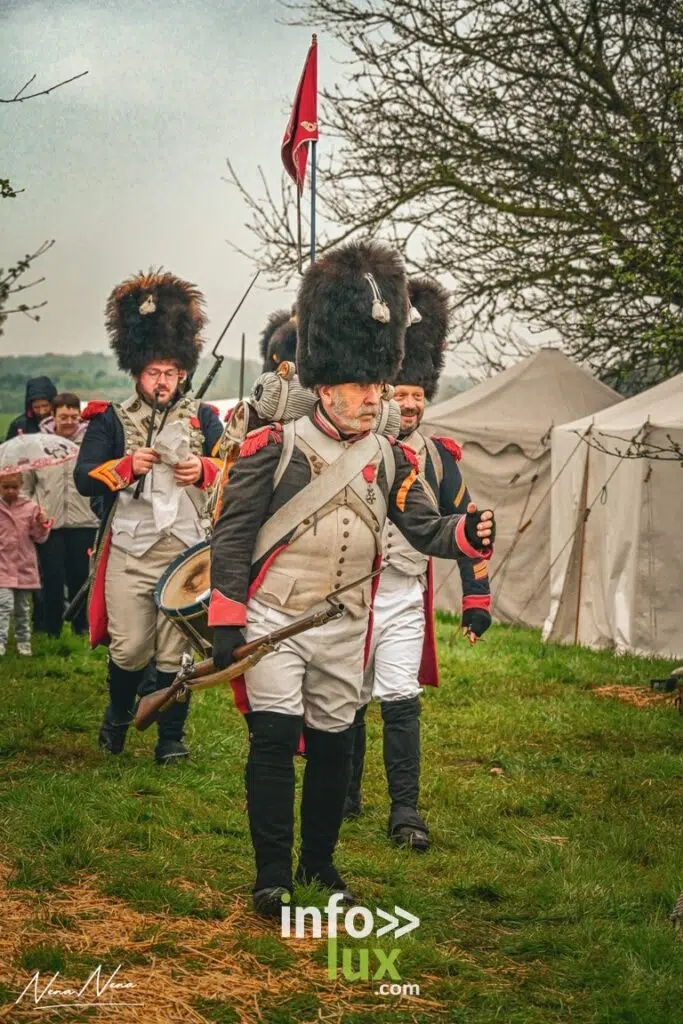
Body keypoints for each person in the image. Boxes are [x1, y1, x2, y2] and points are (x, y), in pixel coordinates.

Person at [209, 241, 495, 917]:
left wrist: (464, 536)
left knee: (334, 747)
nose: (374, 397)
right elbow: (232, 535)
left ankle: (319, 865)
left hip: (344, 626)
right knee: (273, 742)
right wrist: (226, 617)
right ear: (326, 384)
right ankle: (272, 875)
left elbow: (423, 528)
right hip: (275, 618)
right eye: (362, 386)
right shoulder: (274, 446)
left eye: (377, 384)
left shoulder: (391, 458)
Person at [343, 278, 492, 852]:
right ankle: (346, 795)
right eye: (399, 393)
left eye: (416, 395)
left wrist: (476, 598)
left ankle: (405, 811)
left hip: (404, 593)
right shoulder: (350, 447)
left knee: (401, 697)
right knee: (348, 699)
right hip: (348, 596)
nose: (408, 404)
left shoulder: (439, 457)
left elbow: (464, 525)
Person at [74, 271, 223, 764]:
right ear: (138, 372)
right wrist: (124, 467)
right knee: (131, 649)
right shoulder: (110, 419)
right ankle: (118, 716)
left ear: (183, 373)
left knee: (176, 654)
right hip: (131, 550)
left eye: (172, 372)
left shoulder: (204, 418)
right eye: (155, 372)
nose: (163, 381)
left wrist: (203, 470)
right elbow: (84, 478)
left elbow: (234, 471)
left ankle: (170, 739)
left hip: (186, 551)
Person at [24, 393, 99, 638]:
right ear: (53, 416)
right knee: (52, 578)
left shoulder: (90, 443)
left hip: (84, 521)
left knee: (81, 578)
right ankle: (51, 629)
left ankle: (81, 628)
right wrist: (35, 510)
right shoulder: (38, 445)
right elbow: (26, 485)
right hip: (49, 524)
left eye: (73, 417)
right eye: (63, 417)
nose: (69, 422)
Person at [0, 473, 52, 656]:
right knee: (3, 605)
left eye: (14, 487)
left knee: (22, 607)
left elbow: (39, 537)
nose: (10, 491)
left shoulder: (31, 508)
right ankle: (1, 641)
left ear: (21, 485)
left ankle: (23, 640)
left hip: (23, 564)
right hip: (2, 565)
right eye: (6, 487)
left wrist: (42, 523)